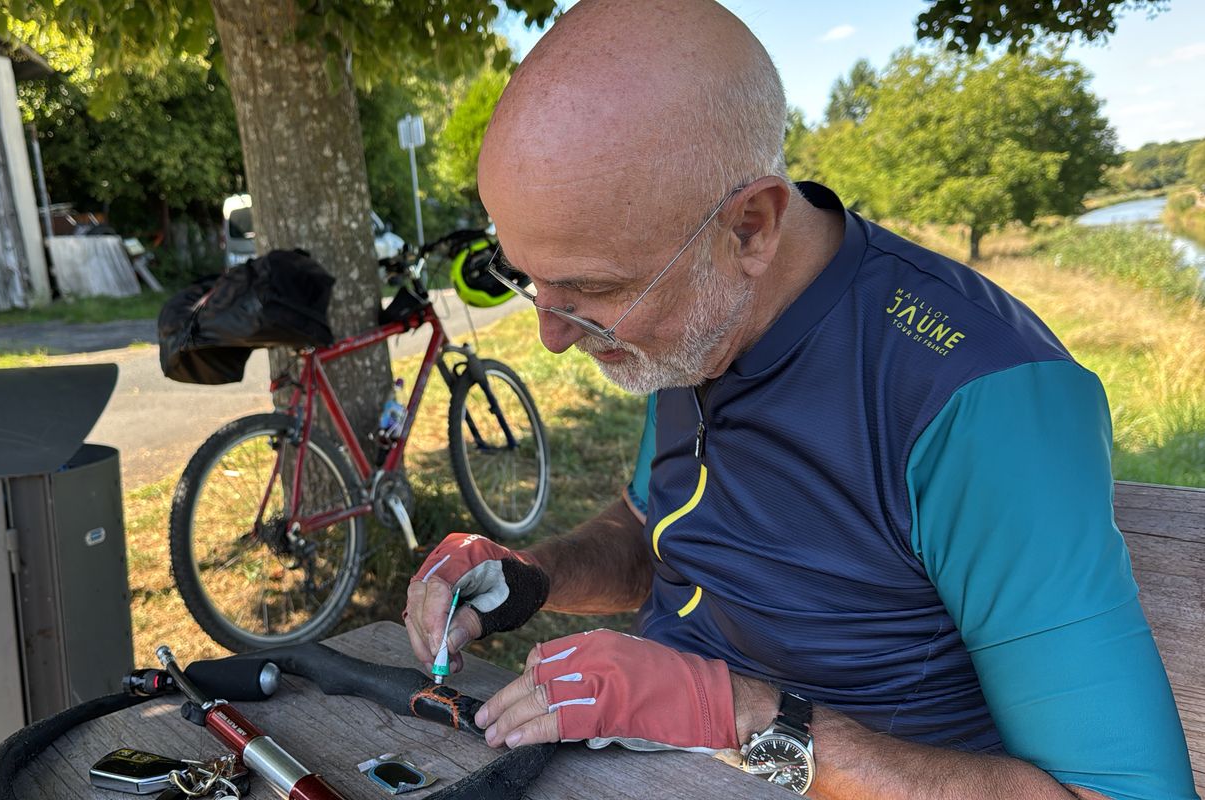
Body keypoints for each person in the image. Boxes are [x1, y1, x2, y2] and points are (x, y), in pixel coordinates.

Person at [402, 1, 1198, 798]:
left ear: (751, 227)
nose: (551, 335)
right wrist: (534, 575)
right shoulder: (689, 322)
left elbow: (1123, 794)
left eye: (591, 291)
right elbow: (659, 536)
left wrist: (743, 720)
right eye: (530, 280)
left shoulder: (979, 396)